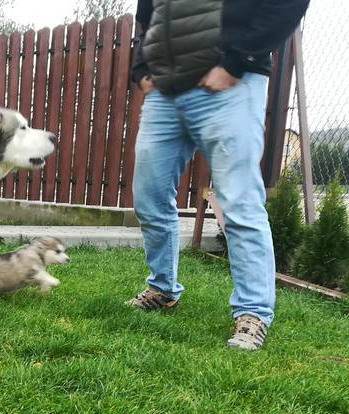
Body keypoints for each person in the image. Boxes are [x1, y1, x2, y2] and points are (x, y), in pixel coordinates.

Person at [126, 0, 310, 350]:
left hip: (229, 81)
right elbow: (147, 14)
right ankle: (162, 289)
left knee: (239, 200)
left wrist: (237, 60)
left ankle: (253, 312)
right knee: (149, 197)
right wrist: (142, 69)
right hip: (165, 89)